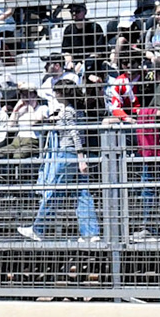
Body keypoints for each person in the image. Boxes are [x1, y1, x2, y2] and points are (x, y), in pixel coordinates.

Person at [18, 80, 99, 242]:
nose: (54, 94)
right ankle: (90, 232)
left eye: (56, 91)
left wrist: (81, 159)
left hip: (68, 155)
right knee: (83, 193)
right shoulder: (75, 111)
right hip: (74, 155)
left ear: (62, 93)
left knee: (54, 191)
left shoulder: (68, 111)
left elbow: (75, 135)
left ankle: (38, 228)